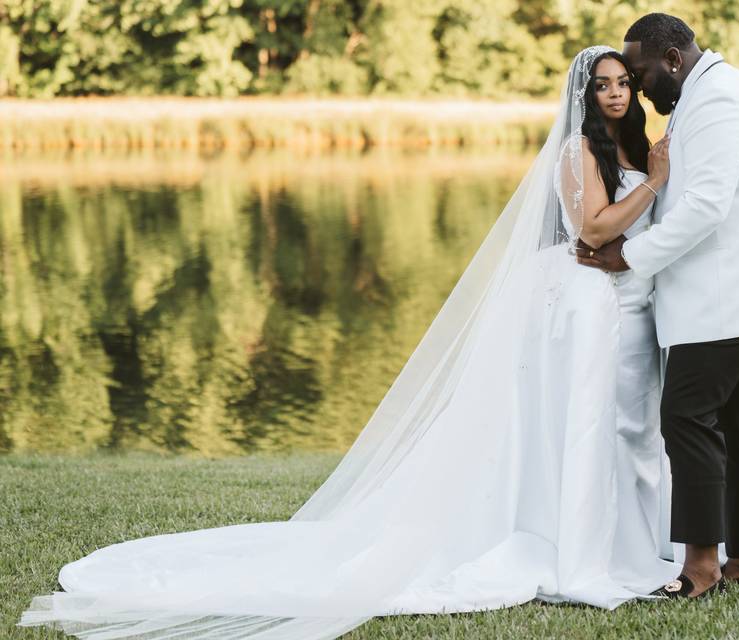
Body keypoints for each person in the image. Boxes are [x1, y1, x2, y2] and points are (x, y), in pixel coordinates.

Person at [19, 46, 681, 640]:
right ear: (584, 95)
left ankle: (628, 542)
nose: (615, 94)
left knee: (623, 428)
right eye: (602, 85)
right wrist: (652, 182)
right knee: (580, 424)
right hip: (585, 305)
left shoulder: (640, 147)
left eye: (623, 82)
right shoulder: (579, 153)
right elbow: (592, 232)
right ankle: (573, 548)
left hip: (628, 308)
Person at [577, 13, 739, 599]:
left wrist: (630, 256)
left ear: (673, 60)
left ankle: (700, 569)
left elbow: (706, 205)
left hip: (725, 296)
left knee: (686, 419)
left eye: (641, 72)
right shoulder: (705, 91)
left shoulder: (718, 99)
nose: (638, 87)